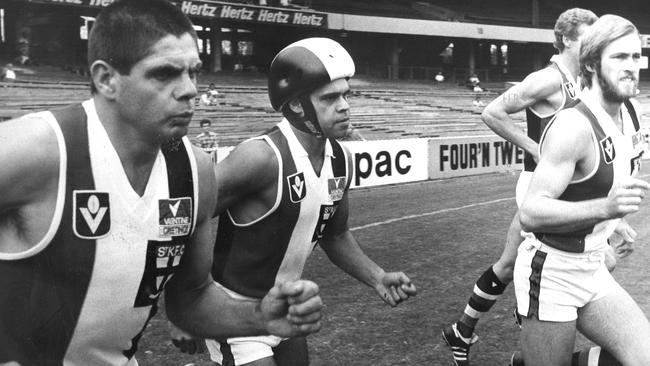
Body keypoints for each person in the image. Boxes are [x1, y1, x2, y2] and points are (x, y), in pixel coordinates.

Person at [0, 0, 324, 364]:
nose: (189, 90)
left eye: (194, 72)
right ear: (106, 79)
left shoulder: (194, 171)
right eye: (164, 73)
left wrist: (259, 316)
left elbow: (192, 299)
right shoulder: (38, 150)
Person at [173, 37, 417, 366]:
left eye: (346, 95)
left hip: (287, 310)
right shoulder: (261, 157)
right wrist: (185, 308)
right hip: (233, 313)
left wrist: (377, 277)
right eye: (330, 98)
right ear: (298, 106)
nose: (345, 106)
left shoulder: (341, 160)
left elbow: (335, 235)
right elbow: (184, 221)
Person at [441, 8, 634, 366]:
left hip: (570, 188)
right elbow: (492, 112)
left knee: (524, 263)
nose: (592, 44)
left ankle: (469, 330)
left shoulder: (581, 82)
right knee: (524, 262)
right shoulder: (548, 79)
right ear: (564, 40)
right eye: (584, 39)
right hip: (540, 187)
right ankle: (493, 335)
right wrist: (532, 146)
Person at [515, 14, 650, 366]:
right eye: (619, 57)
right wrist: (605, 210)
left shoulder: (632, 112)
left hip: (592, 266)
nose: (631, 67)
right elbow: (530, 213)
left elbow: (599, 181)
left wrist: (611, 226)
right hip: (552, 271)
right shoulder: (573, 126)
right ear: (591, 64)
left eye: (636, 57)